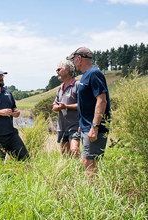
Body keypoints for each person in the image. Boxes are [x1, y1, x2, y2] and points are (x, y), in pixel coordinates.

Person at [68, 47, 111, 178]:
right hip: (86, 126)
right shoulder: (86, 75)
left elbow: (101, 100)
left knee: (89, 163)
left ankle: (94, 192)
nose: (73, 63)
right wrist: (83, 123)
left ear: (79, 58)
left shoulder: (94, 73)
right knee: (87, 162)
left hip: (93, 128)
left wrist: (94, 126)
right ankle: (93, 191)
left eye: (74, 60)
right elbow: (87, 102)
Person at [52, 60, 81, 158]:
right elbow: (54, 105)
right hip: (62, 127)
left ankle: (82, 169)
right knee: (65, 154)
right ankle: (71, 172)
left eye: (59, 69)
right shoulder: (60, 88)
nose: (57, 72)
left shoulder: (77, 86)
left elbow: (83, 105)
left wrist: (66, 107)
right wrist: (56, 107)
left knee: (74, 149)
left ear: (67, 70)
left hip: (75, 125)